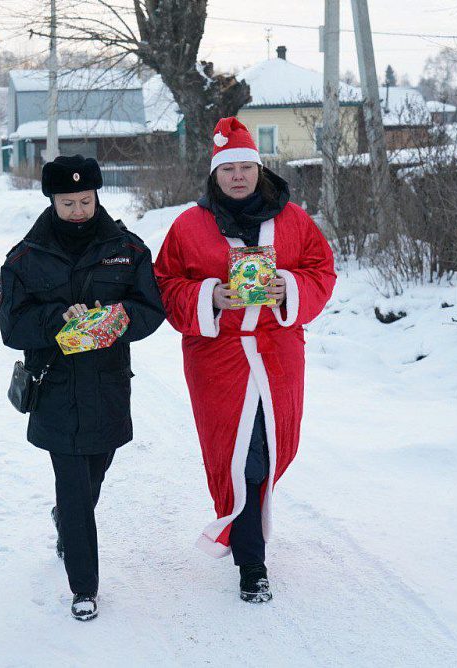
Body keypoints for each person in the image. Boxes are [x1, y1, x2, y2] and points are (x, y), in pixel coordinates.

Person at [153, 117, 336, 603]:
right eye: (228, 169)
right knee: (239, 456)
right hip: (217, 357)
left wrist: (288, 288)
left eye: (246, 167)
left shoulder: (294, 220)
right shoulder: (189, 226)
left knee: (273, 449)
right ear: (215, 175)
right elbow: (166, 284)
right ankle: (251, 563)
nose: (238, 176)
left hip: (277, 354)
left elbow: (322, 269)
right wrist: (211, 297)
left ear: (259, 169)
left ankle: (245, 529)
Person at [0, 155, 165, 621]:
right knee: (72, 485)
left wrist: (118, 319)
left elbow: (152, 308)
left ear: (96, 197)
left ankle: (67, 522)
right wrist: (56, 319)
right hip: (54, 385)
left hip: (108, 385)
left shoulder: (126, 249)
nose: (77, 210)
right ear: (51, 201)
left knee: (94, 473)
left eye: (85, 201)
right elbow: (11, 326)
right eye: (67, 202)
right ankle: (84, 587)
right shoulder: (25, 258)